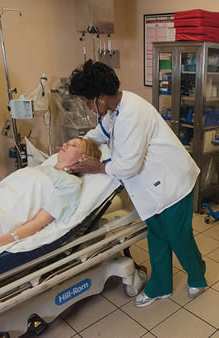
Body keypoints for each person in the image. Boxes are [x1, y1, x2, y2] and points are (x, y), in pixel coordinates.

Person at [68, 60, 207, 307]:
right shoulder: (115, 109)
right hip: (152, 189)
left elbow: (128, 164)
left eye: (88, 102)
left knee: (178, 236)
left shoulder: (132, 113)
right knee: (157, 236)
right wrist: (78, 142)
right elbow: (100, 133)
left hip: (173, 184)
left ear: (100, 97)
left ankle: (198, 275)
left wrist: (97, 167)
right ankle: (160, 286)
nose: (88, 107)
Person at [0, 137, 101, 257]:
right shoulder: (41, 168)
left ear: (84, 158)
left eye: (73, 145)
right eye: (67, 142)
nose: (65, 145)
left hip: (0, 218)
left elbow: (39, 222)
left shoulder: (69, 183)